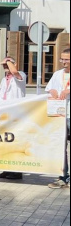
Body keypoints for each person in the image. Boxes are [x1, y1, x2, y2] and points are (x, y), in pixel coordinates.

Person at [0, 56, 27, 180]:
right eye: (3, 65)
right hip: (5, 115)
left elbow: (15, 72)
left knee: (15, 143)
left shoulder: (21, 76)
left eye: (7, 64)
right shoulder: (4, 80)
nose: (5, 66)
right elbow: (1, 96)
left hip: (16, 115)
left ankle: (17, 171)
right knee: (5, 142)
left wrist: (9, 62)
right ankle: (6, 168)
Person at [46, 48, 70, 189]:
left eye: (67, 59)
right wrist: (53, 91)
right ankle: (63, 177)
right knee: (61, 148)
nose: (64, 62)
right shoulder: (57, 74)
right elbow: (51, 88)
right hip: (60, 115)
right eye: (62, 59)